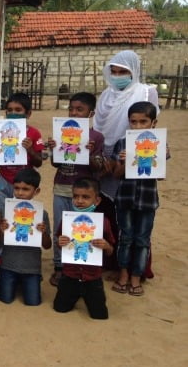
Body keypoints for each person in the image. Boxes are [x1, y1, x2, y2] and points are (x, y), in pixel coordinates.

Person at [44, 93, 104, 287]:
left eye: (80, 110)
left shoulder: (96, 137)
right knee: (61, 228)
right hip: (61, 187)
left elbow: (98, 167)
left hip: (84, 192)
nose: (74, 113)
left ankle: (80, 267)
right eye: (71, 109)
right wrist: (55, 148)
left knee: (81, 228)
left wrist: (90, 151)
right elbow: (55, 163)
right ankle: (60, 267)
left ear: (91, 113)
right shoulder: (62, 131)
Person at [109, 102, 166, 297]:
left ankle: (136, 276)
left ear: (153, 122)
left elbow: (159, 176)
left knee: (142, 240)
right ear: (129, 122)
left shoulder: (160, 143)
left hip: (147, 200)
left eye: (144, 121)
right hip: (125, 198)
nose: (138, 126)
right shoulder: (123, 143)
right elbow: (116, 174)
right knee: (125, 238)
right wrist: (125, 162)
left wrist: (153, 158)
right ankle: (123, 273)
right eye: (134, 122)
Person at [0, 93, 44, 271]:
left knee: (21, 218)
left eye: (18, 110)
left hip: (24, 185)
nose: (13, 113)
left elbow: (39, 161)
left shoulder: (33, 133)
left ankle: (20, 257)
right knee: (0, 218)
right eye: (9, 110)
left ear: (28, 113)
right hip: (4, 181)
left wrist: (30, 150)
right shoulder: (1, 131)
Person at [93, 50, 159, 199]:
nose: (117, 76)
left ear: (134, 71)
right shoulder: (105, 95)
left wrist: (123, 157)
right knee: (103, 202)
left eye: (123, 71)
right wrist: (102, 157)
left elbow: (150, 129)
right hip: (104, 156)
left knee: (128, 199)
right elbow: (98, 127)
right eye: (114, 72)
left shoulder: (146, 93)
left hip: (131, 153)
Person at [53, 178, 115, 319]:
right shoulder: (67, 221)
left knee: (99, 315)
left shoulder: (103, 223)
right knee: (60, 308)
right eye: (76, 196)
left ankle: (87, 294)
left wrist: (106, 246)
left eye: (86, 197)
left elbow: (111, 250)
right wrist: (60, 242)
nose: (80, 201)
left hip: (93, 276)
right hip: (70, 274)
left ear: (97, 200)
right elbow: (60, 244)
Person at [0, 168, 51, 306]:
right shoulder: (7, 212)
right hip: (8, 265)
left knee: (33, 302)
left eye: (26, 189)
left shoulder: (42, 214)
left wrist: (42, 232)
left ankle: (31, 281)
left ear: (36, 191)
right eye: (17, 188)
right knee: (5, 299)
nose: (20, 193)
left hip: (31, 268)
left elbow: (47, 245)